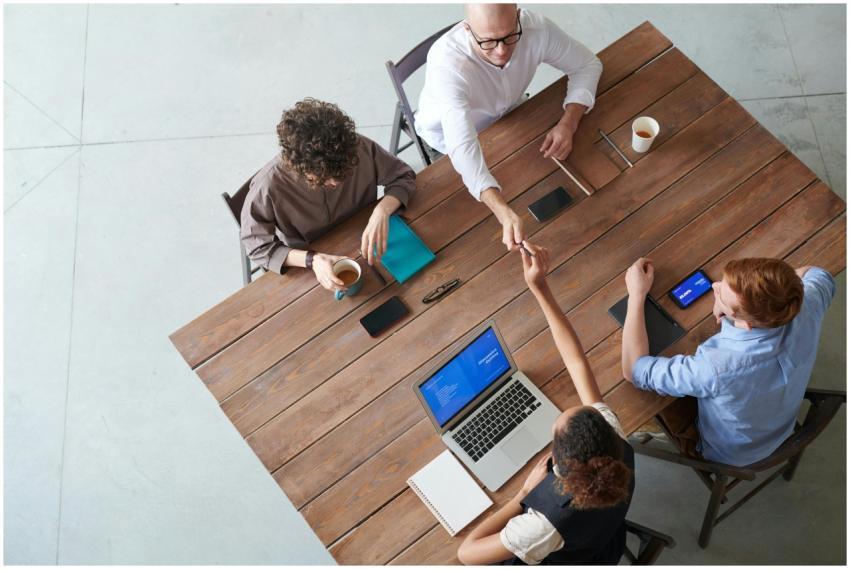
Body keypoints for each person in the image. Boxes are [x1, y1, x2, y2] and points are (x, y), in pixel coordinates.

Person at [457, 242, 634, 565]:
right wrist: (539, 288)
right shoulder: (616, 445)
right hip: (605, 540)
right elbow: (577, 362)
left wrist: (521, 495)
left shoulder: (543, 525)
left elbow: (466, 554)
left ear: (558, 466)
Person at [416, 4, 602, 252]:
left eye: (509, 36)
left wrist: (568, 123)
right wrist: (502, 210)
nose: (502, 51)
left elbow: (587, 65)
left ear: (518, 17)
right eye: (489, 42)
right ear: (467, 29)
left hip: (512, 114)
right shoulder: (447, 65)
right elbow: (462, 145)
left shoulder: (536, 29)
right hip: (447, 138)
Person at [621, 257, 836, 466]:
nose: (714, 285)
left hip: (727, 454)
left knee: (637, 405)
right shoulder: (807, 305)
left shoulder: (715, 367)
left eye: (721, 294)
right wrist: (772, 294)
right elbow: (818, 273)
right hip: (780, 426)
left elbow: (634, 369)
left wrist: (637, 295)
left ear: (745, 323)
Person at [240, 98, 416, 292]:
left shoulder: (357, 147)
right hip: (312, 271)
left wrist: (382, 210)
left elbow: (403, 175)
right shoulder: (268, 186)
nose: (336, 182)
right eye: (325, 177)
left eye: (343, 172)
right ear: (299, 166)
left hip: (371, 246)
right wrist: (311, 260)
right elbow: (256, 246)